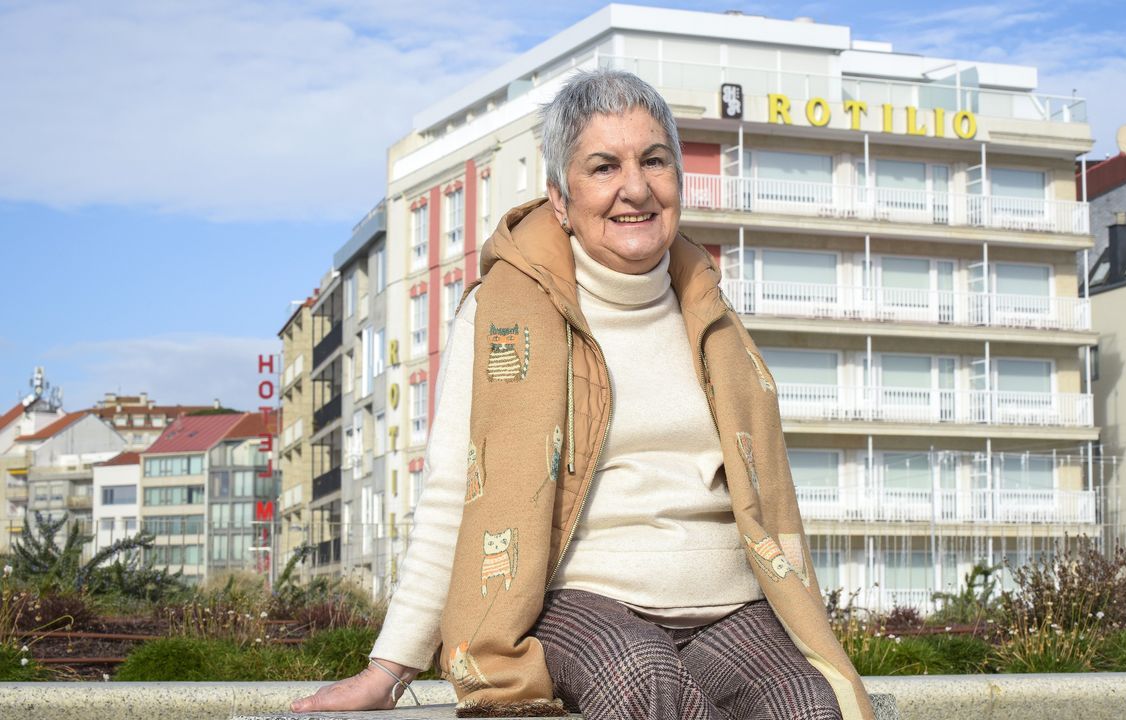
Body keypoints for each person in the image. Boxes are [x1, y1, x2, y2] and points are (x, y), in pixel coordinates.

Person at [291, 69, 875, 719]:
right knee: (641, 675)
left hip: (728, 607)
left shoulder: (711, 313)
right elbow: (458, 489)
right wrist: (389, 668)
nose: (635, 187)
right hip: (583, 604)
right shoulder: (503, 312)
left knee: (813, 701)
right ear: (560, 198)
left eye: (655, 160)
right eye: (604, 166)